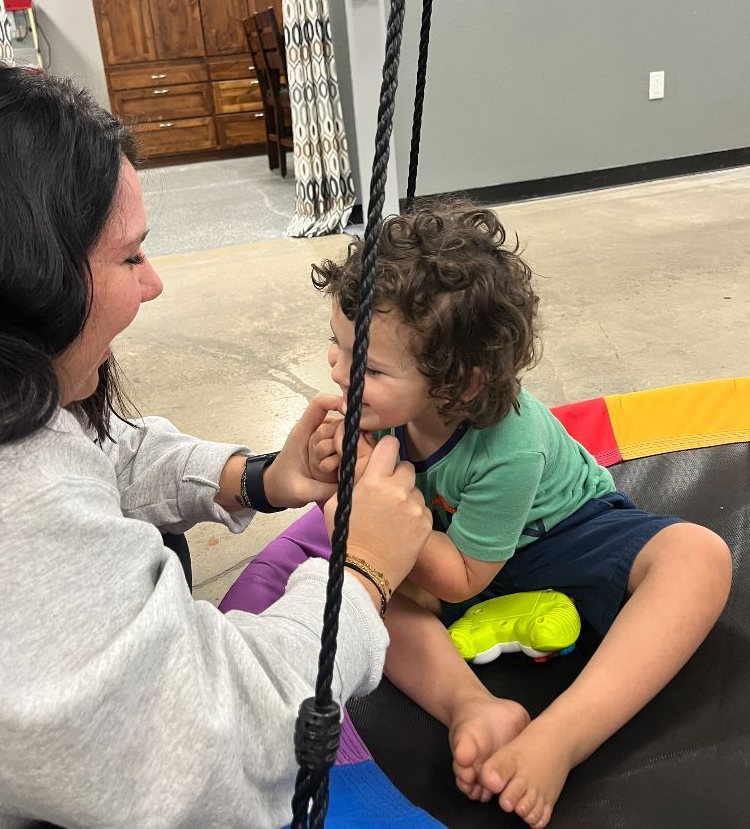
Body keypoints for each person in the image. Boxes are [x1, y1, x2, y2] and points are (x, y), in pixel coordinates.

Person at [0, 55, 432, 829]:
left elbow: (104, 450)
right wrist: (365, 568)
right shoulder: (2, 530)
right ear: (26, 277)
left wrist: (263, 476)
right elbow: (226, 750)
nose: (154, 282)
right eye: (129, 256)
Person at [309, 201, 732, 828]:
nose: (339, 374)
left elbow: (461, 577)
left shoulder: (511, 443)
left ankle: (562, 737)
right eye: (339, 347)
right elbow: (382, 550)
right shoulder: (376, 414)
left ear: (462, 383)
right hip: (457, 544)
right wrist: (337, 490)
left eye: (366, 366)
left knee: (698, 556)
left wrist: (363, 501)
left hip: (562, 535)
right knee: (356, 589)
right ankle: (471, 706)